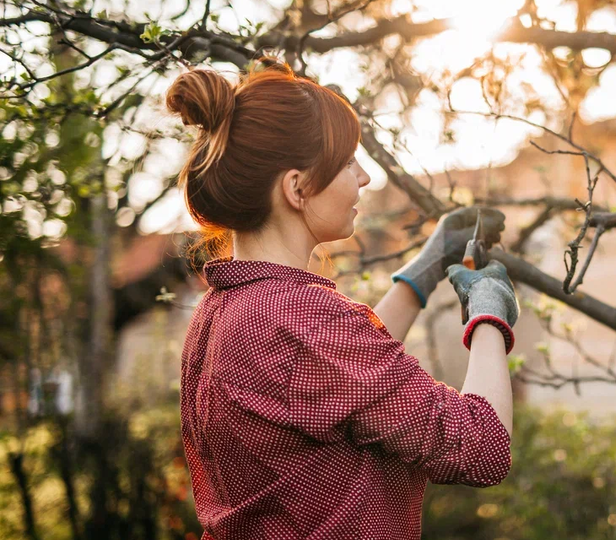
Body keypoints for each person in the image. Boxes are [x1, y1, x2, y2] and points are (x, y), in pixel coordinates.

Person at [168, 58, 519, 540]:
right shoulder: (301, 318)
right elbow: (481, 447)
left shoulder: (223, 310)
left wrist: (425, 269)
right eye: (348, 162)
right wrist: (488, 314)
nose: (364, 178)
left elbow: (337, 386)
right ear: (297, 187)